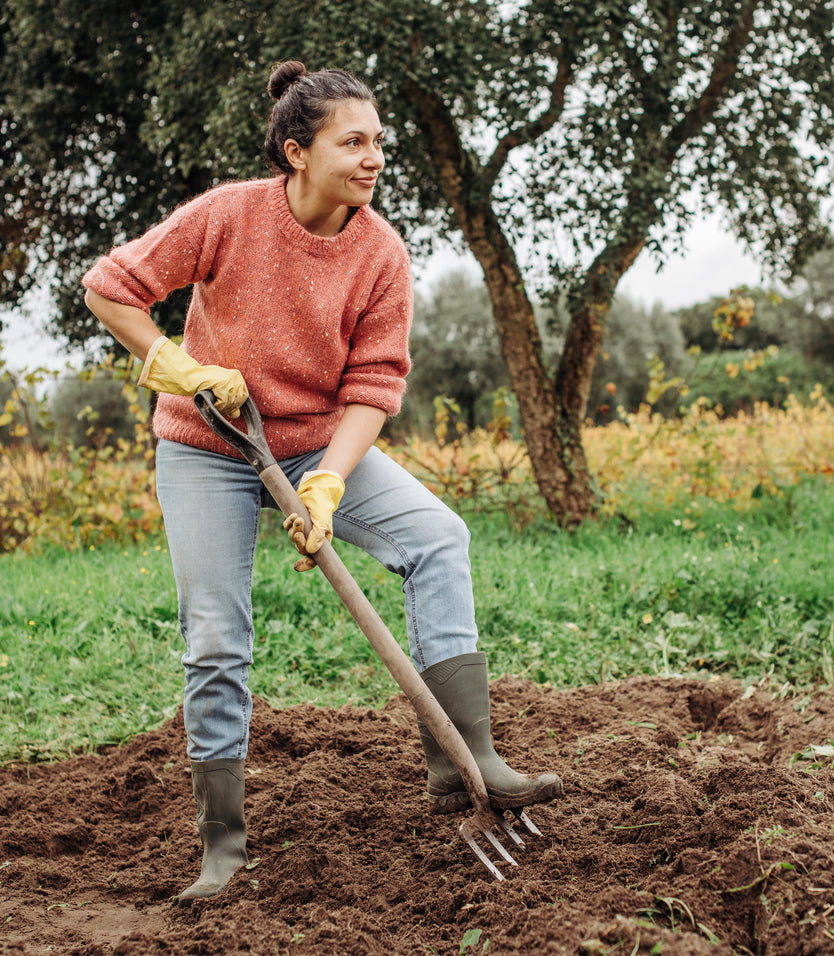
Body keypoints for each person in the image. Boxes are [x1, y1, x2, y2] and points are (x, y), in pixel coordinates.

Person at [82, 60, 562, 905]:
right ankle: (222, 844)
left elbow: (373, 386)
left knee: (437, 536)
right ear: (297, 152)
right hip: (207, 444)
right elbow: (110, 287)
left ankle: (465, 758)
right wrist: (181, 367)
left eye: (379, 142)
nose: (374, 157)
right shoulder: (230, 214)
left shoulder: (379, 252)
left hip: (312, 444)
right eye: (354, 142)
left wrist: (329, 487)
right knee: (217, 636)